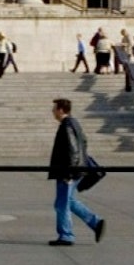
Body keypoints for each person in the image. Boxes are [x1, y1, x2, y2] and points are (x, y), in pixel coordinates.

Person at [47, 98, 106, 246]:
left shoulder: (67, 126)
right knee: (69, 201)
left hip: (69, 171)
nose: (52, 111)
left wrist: (70, 172)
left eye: (54, 109)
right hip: (75, 169)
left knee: (62, 204)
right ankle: (95, 222)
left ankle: (66, 235)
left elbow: (73, 149)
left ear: (61, 110)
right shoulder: (74, 123)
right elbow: (83, 143)